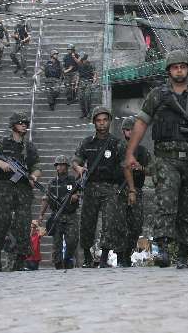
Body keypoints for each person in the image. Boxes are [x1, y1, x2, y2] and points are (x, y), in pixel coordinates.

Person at [123, 50, 188, 269]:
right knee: (166, 203)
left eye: (183, 66)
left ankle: (184, 255)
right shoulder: (158, 95)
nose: (179, 69)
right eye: (175, 66)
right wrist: (131, 152)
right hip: (166, 159)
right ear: (169, 70)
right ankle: (163, 250)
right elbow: (141, 123)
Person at [0, 112, 42, 272]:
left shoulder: (29, 147)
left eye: (26, 123)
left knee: (23, 225)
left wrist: (34, 176)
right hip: (4, 190)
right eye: (21, 122)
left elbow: (36, 166)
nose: (24, 125)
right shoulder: (1, 143)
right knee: (1, 223)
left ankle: (20, 262)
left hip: (23, 191)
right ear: (13, 125)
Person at [72, 107, 128, 268]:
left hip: (110, 187)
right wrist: (78, 168)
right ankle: (88, 256)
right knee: (87, 222)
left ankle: (104, 257)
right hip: (90, 187)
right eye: (99, 120)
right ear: (94, 122)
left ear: (109, 121)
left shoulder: (117, 144)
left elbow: (125, 166)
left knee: (109, 222)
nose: (102, 123)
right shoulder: (87, 142)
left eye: (105, 120)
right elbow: (76, 160)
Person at [39, 155, 81, 269]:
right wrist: (41, 215)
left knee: (72, 241)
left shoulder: (73, 180)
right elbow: (46, 198)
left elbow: (79, 192)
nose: (59, 167)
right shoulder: (52, 183)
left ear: (67, 167)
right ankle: (58, 265)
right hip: (57, 216)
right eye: (57, 165)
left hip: (70, 215)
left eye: (62, 165)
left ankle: (68, 259)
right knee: (56, 244)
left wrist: (75, 196)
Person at [121, 116, 151, 267]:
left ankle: (127, 252)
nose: (130, 132)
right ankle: (121, 255)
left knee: (136, 225)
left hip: (137, 190)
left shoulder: (142, 151)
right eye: (127, 130)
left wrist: (140, 168)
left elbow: (153, 171)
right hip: (119, 191)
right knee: (118, 224)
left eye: (132, 130)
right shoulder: (118, 148)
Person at [77, 53, 96, 118]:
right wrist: (76, 84)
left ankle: (88, 112)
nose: (84, 61)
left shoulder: (90, 65)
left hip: (88, 81)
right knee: (80, 97)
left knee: (87, 96)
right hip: (81, 82)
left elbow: (94, 73)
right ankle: (83, 112)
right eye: (83, 59)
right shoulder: (80, 66)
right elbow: (78, 75)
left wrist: (94, 79)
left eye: (84, 59)